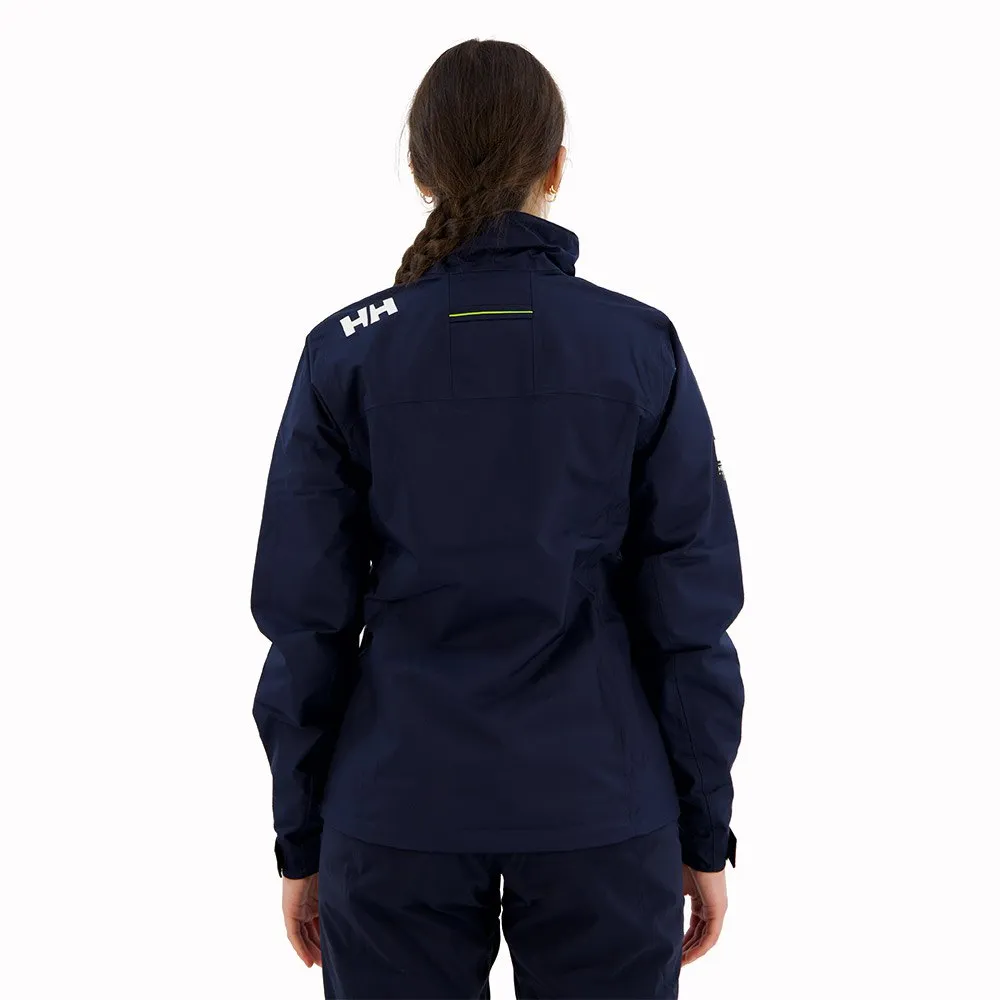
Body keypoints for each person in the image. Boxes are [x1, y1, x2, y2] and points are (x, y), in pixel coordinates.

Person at [250, 38, 744, 1000]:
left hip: (396, 810)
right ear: (556, 167)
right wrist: (703, 831)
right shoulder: (637, 346)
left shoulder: (345, 352)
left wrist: (302, 839)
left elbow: (305, 625)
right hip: (603, 806)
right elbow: (689, 619)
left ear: (421, 170)